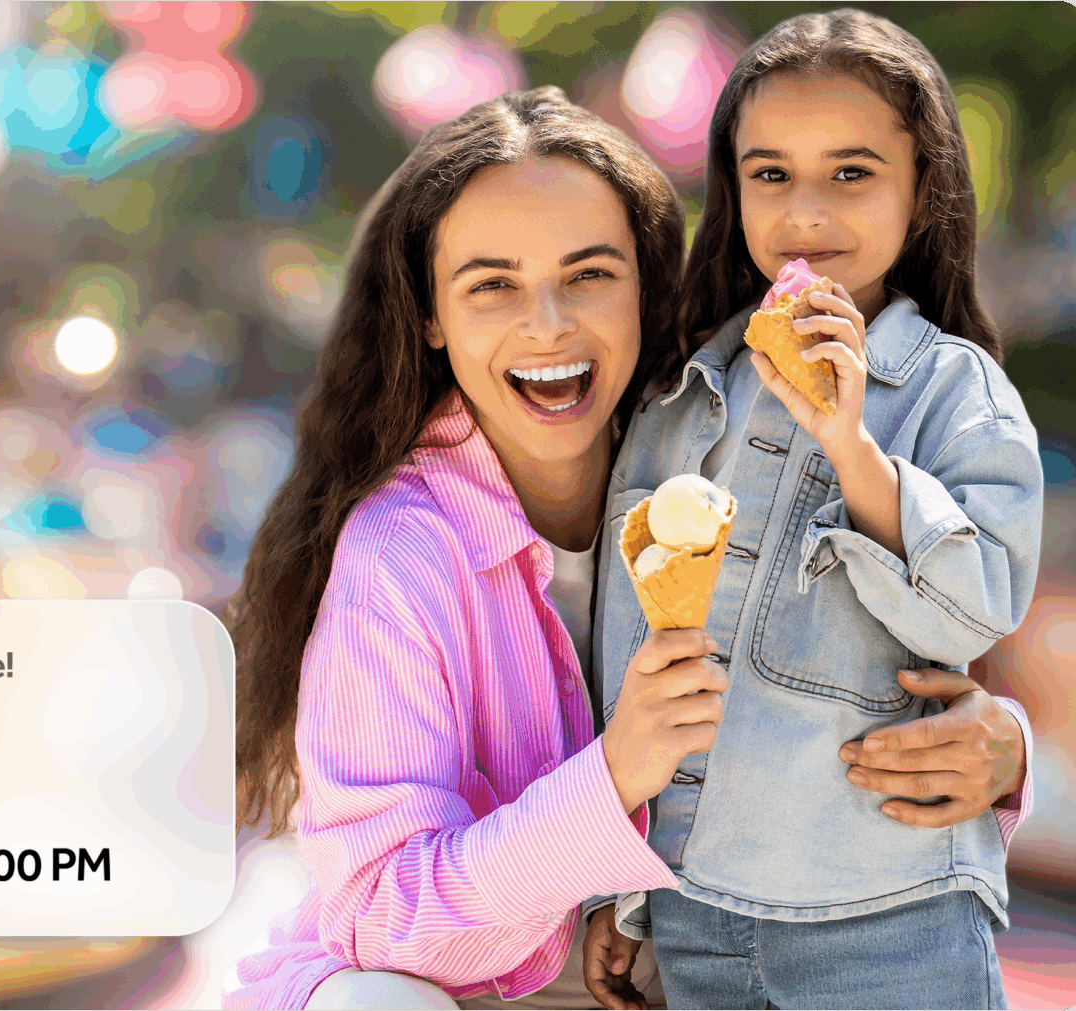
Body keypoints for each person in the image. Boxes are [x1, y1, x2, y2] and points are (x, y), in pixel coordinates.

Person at [582, 11, 1039, 1010]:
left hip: (888, 918)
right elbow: (630, 657)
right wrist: (622, 888)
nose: (806, 213)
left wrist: (850, 444)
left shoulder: (956, 394)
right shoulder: (677, 396)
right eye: (771, 173)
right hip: (693, 915)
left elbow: (973, 613)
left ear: (922, 189)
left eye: (852, 173)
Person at [225, 87, 717, 1010]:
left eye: (589, 273)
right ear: (430, 316)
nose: (548, 323)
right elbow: (383, 913)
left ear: (646, 292)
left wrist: (992, 745)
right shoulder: (399, 555)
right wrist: (614, 776)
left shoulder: (723, 481)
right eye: (493, 285)